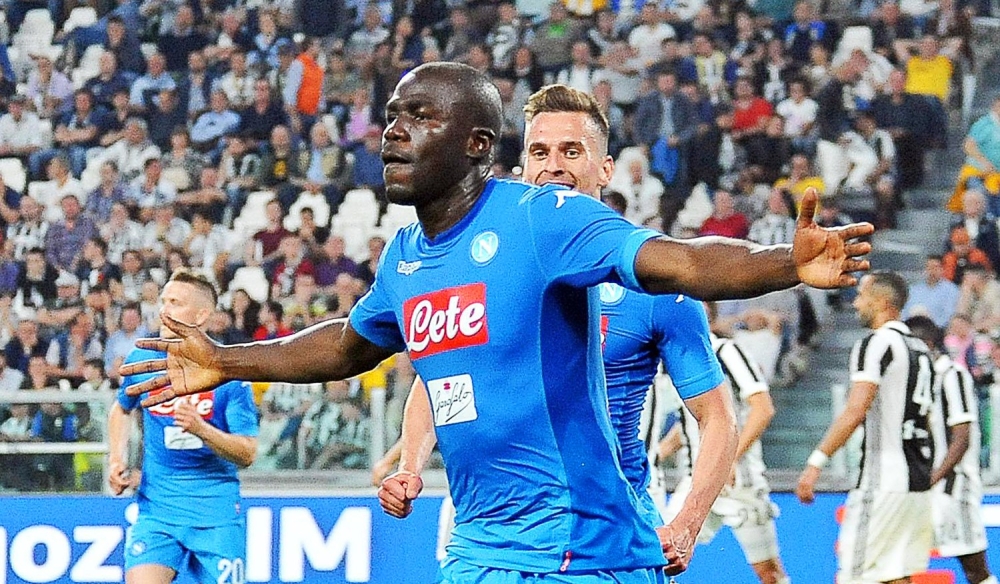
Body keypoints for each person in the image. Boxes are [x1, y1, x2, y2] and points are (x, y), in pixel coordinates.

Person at [122, 63, 873, 580]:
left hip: (583, 550)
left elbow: (680, 262)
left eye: (419, 117)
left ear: (479, 146)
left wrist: (783, 262)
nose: (393, 133)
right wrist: (225, 358)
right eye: (391, 118)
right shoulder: (407, 257)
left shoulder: (543, 219)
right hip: (477, 549)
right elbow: (347, 345)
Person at [372, 84, 738, 569]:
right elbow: (439, 379)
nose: (554, 165)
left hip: (606, 536)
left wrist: (687, 522)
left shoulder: (654, 282)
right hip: (490, 531)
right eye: (539, 152)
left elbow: (718, 418)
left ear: (605, 168)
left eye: (572, 151)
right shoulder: (486, 262)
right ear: (522, 166)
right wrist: (409, 466)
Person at [108, 269, 258, 584]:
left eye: (175, 302)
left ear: (202, 314)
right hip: (157, 512)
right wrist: (116, 460)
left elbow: (247, 453)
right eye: (163, 301)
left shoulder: (228, 370)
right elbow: (120, 410)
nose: (164, 310)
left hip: (214, 517)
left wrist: (202, 429)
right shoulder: (142, 359)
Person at [797, 271, 934, 584]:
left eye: (862, 295)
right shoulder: (921, 349)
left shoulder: (876, 344)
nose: (856, 303)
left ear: (883, 303)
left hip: (883, 478)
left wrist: (815, 462)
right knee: (897, 576)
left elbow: (856, 409)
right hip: (917, 480)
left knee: (855, 576)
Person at [662, 301, 789, 584]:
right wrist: (661, 451)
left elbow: (762, 407)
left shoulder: (727, 352)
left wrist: (729, 458)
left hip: (739, 482)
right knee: (662, 559)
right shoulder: (680, 358)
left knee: (769, 573)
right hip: (697, 480)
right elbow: (697, 420)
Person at [905, 315, 998, 584]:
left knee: (975, 570)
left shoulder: (952, 375)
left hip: (955, 487)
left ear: (928, 343)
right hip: (925, 488)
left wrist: (933, 478)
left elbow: (962, 437)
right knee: (900, 565)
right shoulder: (923, 378)